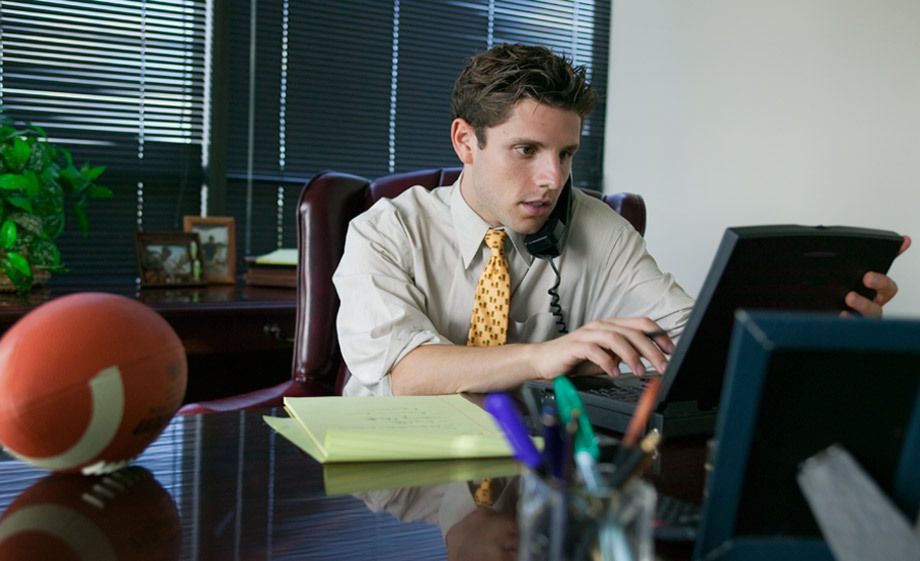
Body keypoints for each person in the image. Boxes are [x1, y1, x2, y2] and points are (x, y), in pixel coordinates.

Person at [333, 43, 910, 398]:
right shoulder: (384, 232)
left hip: (539, 469)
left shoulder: (595, 225)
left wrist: (818, 325)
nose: (553, 179)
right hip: (392, 481)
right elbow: (407, 372)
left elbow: (689, 344)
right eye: (526, 150)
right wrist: (544, 356)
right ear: (466, 141)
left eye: (565, 153)